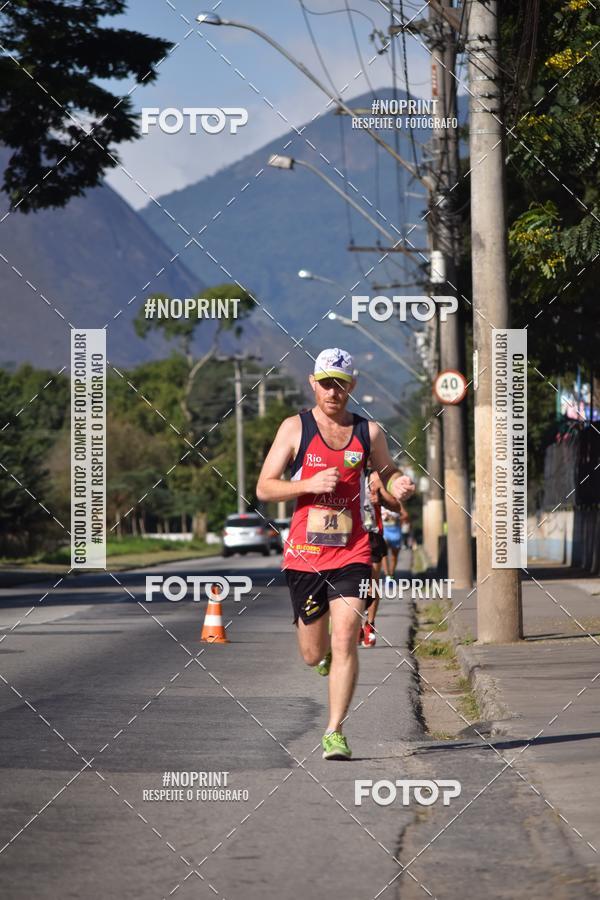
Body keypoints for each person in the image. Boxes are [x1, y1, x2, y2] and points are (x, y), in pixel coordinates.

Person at [256, 348, 415, 760]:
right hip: (305, 556)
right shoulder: (294, 429)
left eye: (341, 384)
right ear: (313, 384)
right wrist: (307, 484)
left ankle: (334, 731)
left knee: (346, 636)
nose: (333, 390)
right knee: (313, 654)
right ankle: (322, 655)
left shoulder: (369, 433)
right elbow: (265, 487)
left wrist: (397, 484)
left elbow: (387, 471)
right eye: (326, 382)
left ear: (352, 387)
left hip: (354, 552)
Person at [360, 469, 403, 648]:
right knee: (350, 584)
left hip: (371, 535)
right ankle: (352, 622)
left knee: (372, 584)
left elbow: (396, 505)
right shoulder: (339, 472)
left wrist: (381, 498)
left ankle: (369, 624)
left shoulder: (374, 477)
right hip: (346, 536)